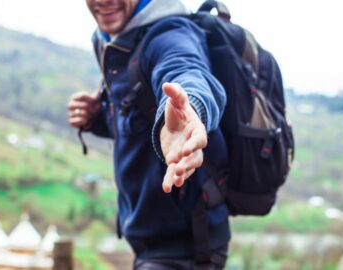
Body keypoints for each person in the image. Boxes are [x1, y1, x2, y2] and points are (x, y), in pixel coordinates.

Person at [68, 0, 230, 269]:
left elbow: (187, 72)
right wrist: (98, 118)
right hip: (150, 243)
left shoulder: (169, 34)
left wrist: (189, 111)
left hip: (188, 247)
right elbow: (136, 120)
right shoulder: (110, 40)